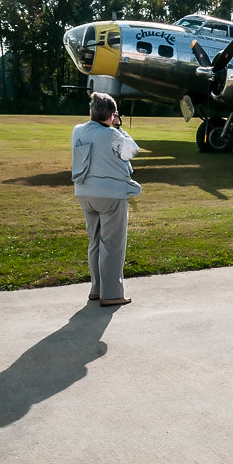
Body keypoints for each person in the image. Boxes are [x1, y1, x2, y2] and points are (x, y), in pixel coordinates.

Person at [70, 92, 142, 306]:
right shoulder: (113, 135)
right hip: (110, 195)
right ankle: (111, 294)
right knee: (112, 244)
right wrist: (118, 127)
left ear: (91, 112)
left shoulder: (77, 130)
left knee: (95, 242)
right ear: (112, 115)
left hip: (85, 193)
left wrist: (112, 124)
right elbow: (132, 151)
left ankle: (97, 288)